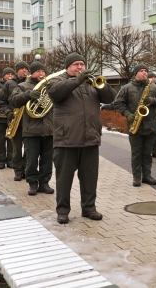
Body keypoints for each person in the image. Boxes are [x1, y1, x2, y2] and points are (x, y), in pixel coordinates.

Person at [46, 53, 116, 224]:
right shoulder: (57, 81)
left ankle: (89, 208)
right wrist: (77, 81)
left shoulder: (91, 83)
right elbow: (55, 93)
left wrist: (102, 85)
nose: (80, 67)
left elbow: (110, 98)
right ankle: (63, 211)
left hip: (90, 138)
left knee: (90, 178)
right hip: (66, 140)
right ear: (68, 66)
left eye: (82, 64)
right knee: (64, 179)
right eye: (76, 64)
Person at [115, 64, 156, 187]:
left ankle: (147, 175)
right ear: (136, 73)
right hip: (134, 125)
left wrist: (153, 100)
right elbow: (118, 104)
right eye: (141, 71)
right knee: (136, 153)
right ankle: (137, 176)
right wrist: (128, 114)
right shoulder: (127, 88)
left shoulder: (154, 87)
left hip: (150, 125)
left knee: (147, 153)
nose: (144, 73)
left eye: (146, 71)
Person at [10, 61, 54, 196]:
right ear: (32, 73)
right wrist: (28, 95)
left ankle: (44, 183)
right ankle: (33, 184)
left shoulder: (50, 86)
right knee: (31, 159)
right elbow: (13, 100)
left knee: (47, 159)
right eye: (38, 71)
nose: (41, 74)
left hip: (49, 129)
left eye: (43, 71)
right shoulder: (22, 86)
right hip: (31, 131)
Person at [0, 61, 29, 181]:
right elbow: (1, 101)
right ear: (17, 70)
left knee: (29, 149)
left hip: (31, 121)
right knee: (16, 148)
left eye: (26, 68)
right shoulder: (10, 83)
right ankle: (18, 170)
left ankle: (26, 169)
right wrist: (8, 112)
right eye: (22, 68)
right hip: (16, 120)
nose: (25, 70)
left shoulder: (31, 82)